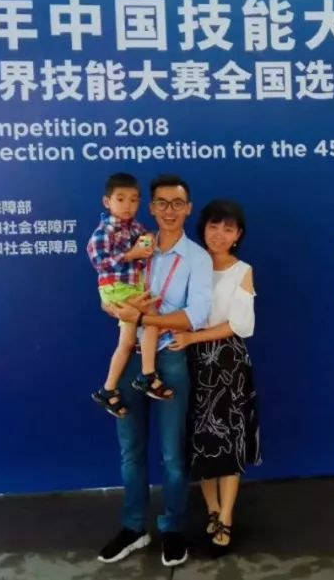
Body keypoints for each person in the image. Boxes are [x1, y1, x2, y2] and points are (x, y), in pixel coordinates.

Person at [96, 175, 213, 568]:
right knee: (131, 450)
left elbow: (196, 315)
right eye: (161, 203)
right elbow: (108, 286)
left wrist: (145, 318)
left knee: (172, 454)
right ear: (151, 207)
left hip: (169, 359)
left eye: (177, 203)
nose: (169, 210)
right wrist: (113, 307)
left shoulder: (197, 257)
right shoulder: (134, 243)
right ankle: (134, 527)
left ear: (188, 208)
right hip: (130, 355)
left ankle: (172, 528)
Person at [170, 199, 261, 557]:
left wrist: (192, 337)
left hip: (227, 365)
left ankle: (226, 516)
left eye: (228, 228)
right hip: (189, 362)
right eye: (213, 226)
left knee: (230, 440)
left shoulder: (243, 271)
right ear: (202, 228)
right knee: (201, 439)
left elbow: (241, 325)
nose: (219, 234)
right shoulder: (191, 265)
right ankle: (211, 509)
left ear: (238, 235)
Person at [85, 173, 173, 418]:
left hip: (133, 287)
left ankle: (111, 388)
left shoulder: (136, 228)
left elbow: (146, 249)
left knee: (131, 338)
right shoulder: (104, 231)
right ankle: (144, 376)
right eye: (121, 199)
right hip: (116, 288)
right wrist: (131, 255)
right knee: (147, 320)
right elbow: (100, 262)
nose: (127, 205)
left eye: (133, 200)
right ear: (107, 202)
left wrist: (148, 244)